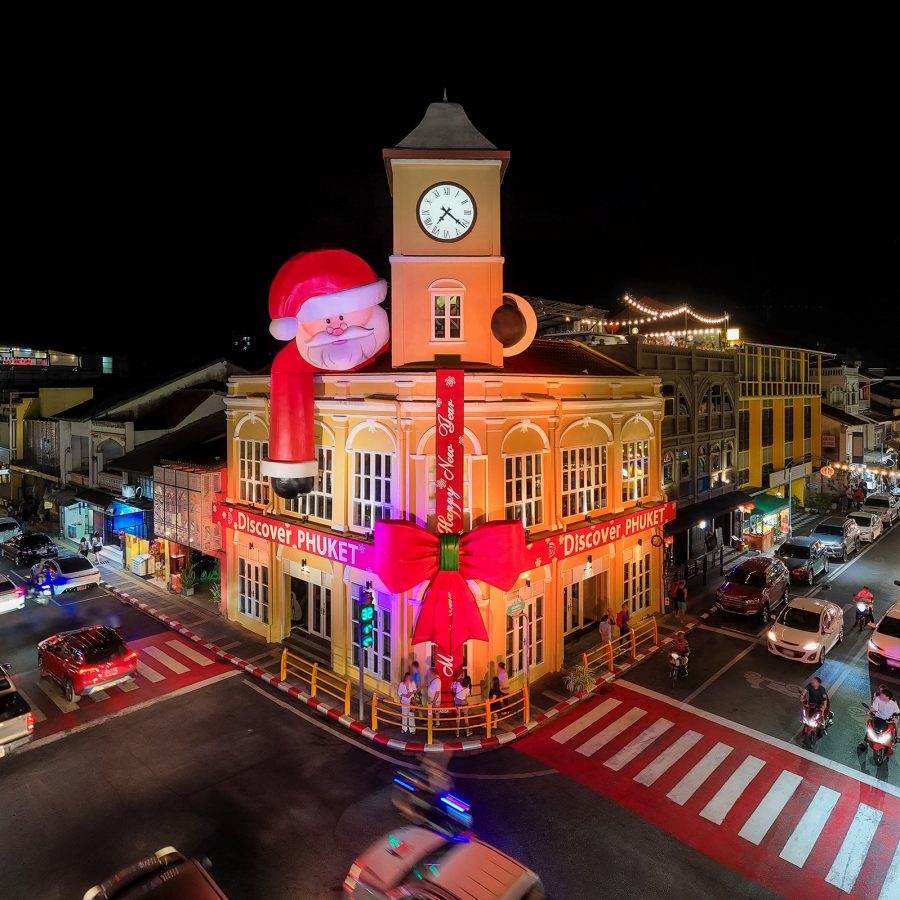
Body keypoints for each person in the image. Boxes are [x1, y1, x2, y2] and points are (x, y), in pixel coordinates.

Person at [452, 670, 471, 737]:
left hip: (457, 701)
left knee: (458, 717)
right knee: (466, 717)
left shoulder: (457, 684)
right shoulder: (468, 689)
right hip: (464, 702)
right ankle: (467, 732)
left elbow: (453, 689)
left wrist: (458, 678)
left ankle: (457, 733)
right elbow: (466, 696)